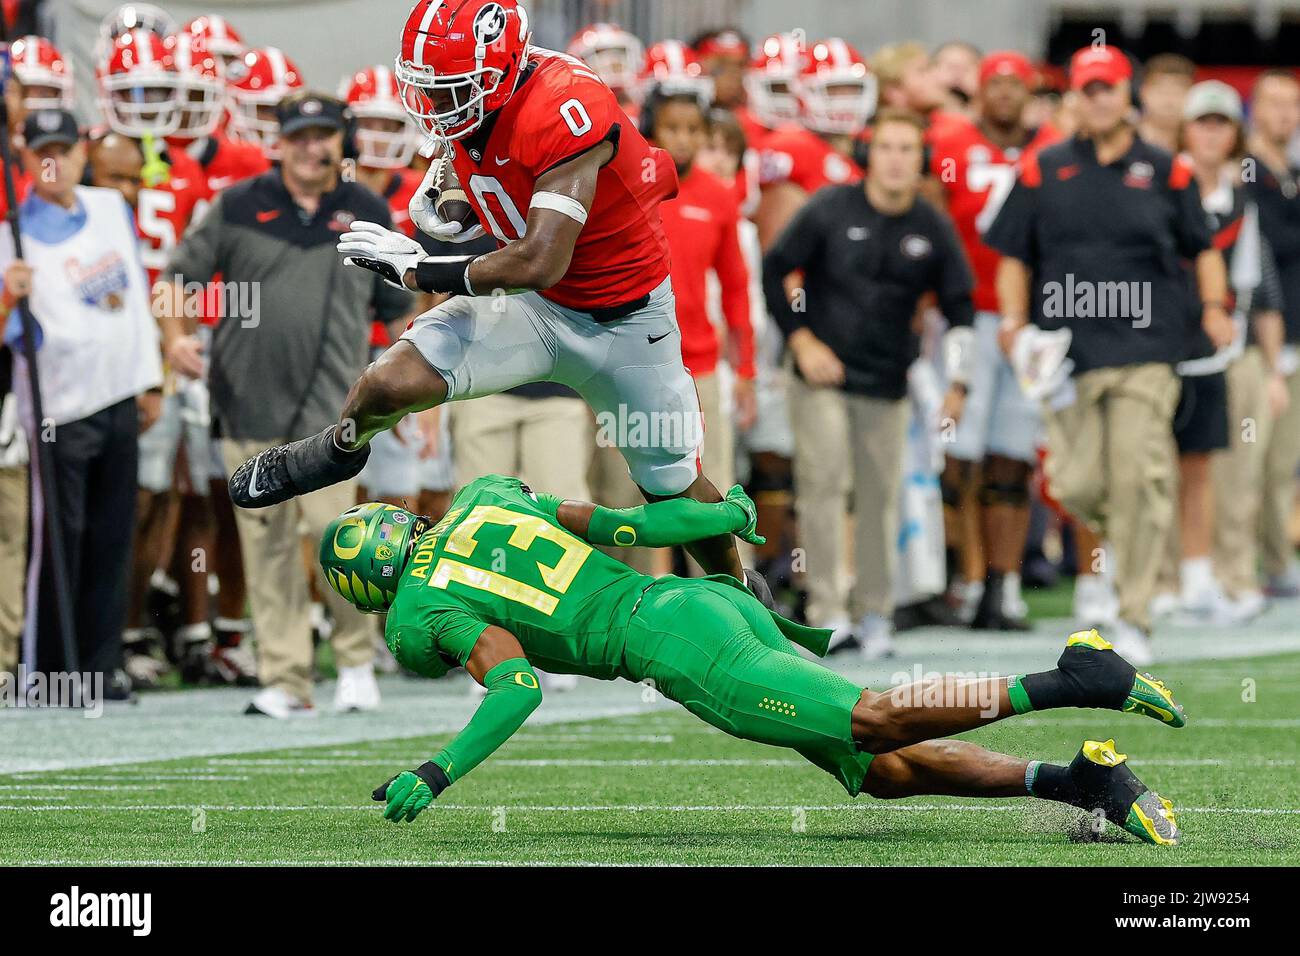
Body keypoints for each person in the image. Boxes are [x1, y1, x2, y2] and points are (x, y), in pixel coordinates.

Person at [227, 0, 769, 604]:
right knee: (388, 384)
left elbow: (541, 258)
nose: (435, 107)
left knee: (673, 490)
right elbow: (487, 188)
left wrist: (417, 266)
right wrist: (455, 203)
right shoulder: (480, 110)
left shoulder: (566, 106)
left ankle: (745, 592)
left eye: (450, 90)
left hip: (625, 320)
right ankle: (336, 451)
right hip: (540, 308)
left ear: (499, 75)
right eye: (429, 89)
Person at [321, 474, 1186, 847]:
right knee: (878, 768)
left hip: (676, 647)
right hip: (702, 602)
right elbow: (633, 526)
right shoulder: (483, 498)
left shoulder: (418, 609)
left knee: (873, 717)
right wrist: (721, 516)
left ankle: (1079, 677)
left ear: (369, 586)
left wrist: (436, 771)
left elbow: (515, 690)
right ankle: (1080, 783)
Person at [159, 92, 419, 717]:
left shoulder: (364, 208)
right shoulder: (237, 205)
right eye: (300, 135)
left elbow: (402, 307)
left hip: (334, 420)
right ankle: (285, 677)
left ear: (341, 142)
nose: (312, 147)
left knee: (341, 539)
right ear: (279, 142)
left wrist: (413, 393)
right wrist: (174, 339)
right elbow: (177, 280)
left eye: (324, 135)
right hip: (246, 406)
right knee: (267, 547)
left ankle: (356, 662)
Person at [986, 45, 1230, 665]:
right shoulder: (1043, 169)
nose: (1099, 100)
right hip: (1067, 357)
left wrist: (1214, 307)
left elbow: (1201, 247)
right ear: (1074, 97)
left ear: (1128, 96)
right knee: (1075, 482)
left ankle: (1135, 614)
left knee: (1137, 472)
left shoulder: (1167, 170)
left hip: (1147, 351)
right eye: (1088, 89)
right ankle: (1130, 541)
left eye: (1109, 89)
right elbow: (1013, 254)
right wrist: (1013, 320)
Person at [763, 108, 974, 657]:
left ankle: (875, 612)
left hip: (887, 379)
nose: (897, 160)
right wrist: (801, 339)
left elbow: (961, 306)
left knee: (881, 496)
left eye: (909, 149)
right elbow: (774, 267)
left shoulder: (932, 225)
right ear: (866, 155)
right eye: (887, 147)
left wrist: (961, 380)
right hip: (823, 374)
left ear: (923, 161)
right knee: (824, 484)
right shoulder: (830, 208)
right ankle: (827, 609)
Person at [0, 109, 164, 700]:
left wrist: (152, 378)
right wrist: (7, 295)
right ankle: (47, 669)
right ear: (24, 159)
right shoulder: (11, 235)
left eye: (64, 149)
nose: (55, 162)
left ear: (79, 154)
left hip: (119, 390)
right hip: (57, 409)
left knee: (112, 534)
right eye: (42, 151)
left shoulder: (109, 208)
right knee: (58, 537)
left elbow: (138, 295)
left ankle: (99, 665)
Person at [930, 51, 1060, 630]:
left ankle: (1002, 588)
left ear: (1030, 89)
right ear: (981, 91)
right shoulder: (952, 145)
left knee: (1013, 459)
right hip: (965, 315)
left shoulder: (1053, 147)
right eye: (995, 83)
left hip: (1030, 323)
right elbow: (932, 223)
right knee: (954, 459)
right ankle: (963, 576)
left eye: (1015, 83)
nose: (1005, 93)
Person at [1155, 81, 1287, 624]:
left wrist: (1274, 367)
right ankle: (1162, 580)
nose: (1211, 133)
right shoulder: (1158, 186)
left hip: (1223, 353)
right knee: (1158, 470)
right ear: (1186, 128)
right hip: (1161, 350)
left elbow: (1259, 287)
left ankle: (1224, 577)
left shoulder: (1241, 199)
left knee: (1229, 474)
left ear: (1234, 134)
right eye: (1202, 122)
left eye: (1221, 124)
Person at [1244, 69, 1300, 597]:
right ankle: (1263, 564)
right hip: (1264, 334)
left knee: (1285, 457)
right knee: (1261, 456)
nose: (1285, 113)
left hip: (1294, 332)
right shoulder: (1247, 172)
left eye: (1293, 104)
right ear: (1255, 108)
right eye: (1275, 103)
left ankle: (1276, 558)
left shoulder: (1293, 172)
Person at [1136, 54, 1195, 154]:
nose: (1169, 100)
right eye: (1161, 91)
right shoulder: (1123, 140)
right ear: (1143, 92)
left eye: (1177, 91)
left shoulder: (1202, 145)